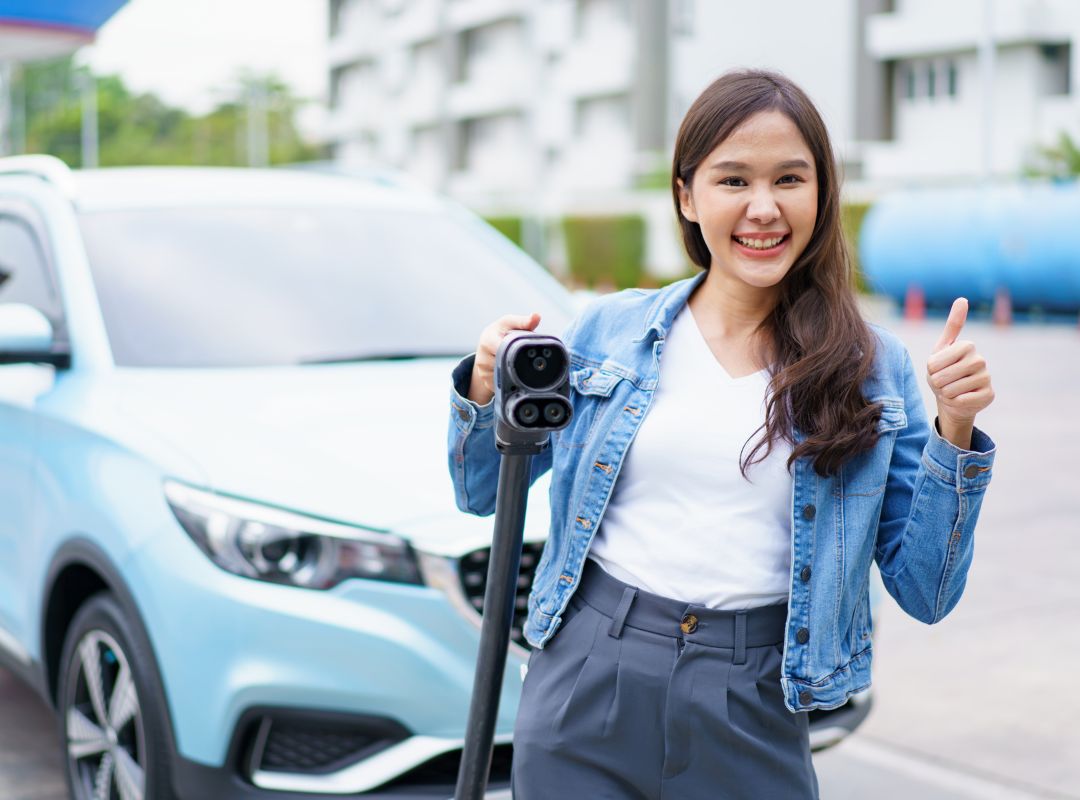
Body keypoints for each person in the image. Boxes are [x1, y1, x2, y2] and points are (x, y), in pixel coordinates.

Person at [447, 69, 996, 799]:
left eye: (789, 180)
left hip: (755, 696)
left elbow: (925, 589)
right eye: (733, 180)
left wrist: (954, 432)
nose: (763, 208)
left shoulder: (873, 369)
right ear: (687, 195)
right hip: (587, 678)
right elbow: (480, 490)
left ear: (821, 193)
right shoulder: (609, 332)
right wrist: (486, 388)